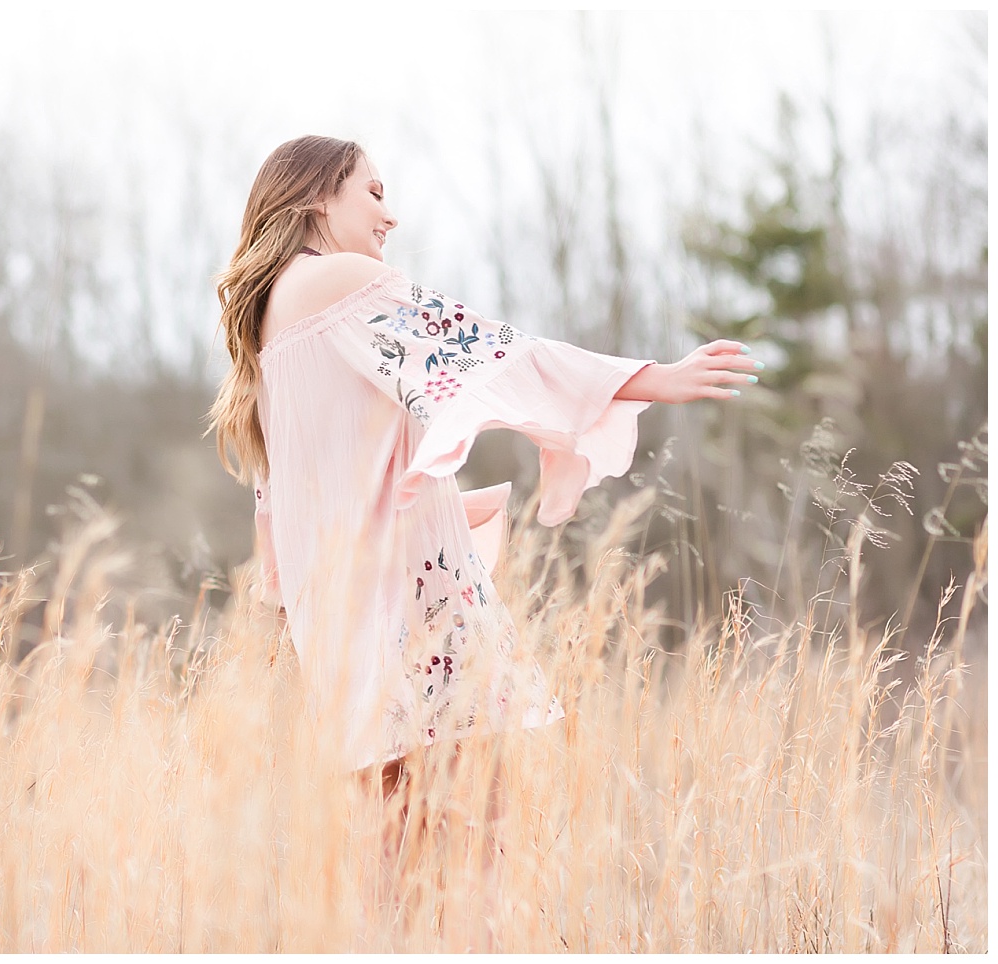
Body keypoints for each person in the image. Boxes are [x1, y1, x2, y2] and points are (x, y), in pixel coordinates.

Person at [206, 132, 759, 844]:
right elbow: (488, 354)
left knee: (399, 845)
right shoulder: (337, 281)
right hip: (407, 599)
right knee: (471, 842)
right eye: (373, 192)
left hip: (340, 615)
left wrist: (284, 610)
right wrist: (652, 379)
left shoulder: (271, 326)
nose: (390, 215)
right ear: (317, 196)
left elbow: (274, 501)